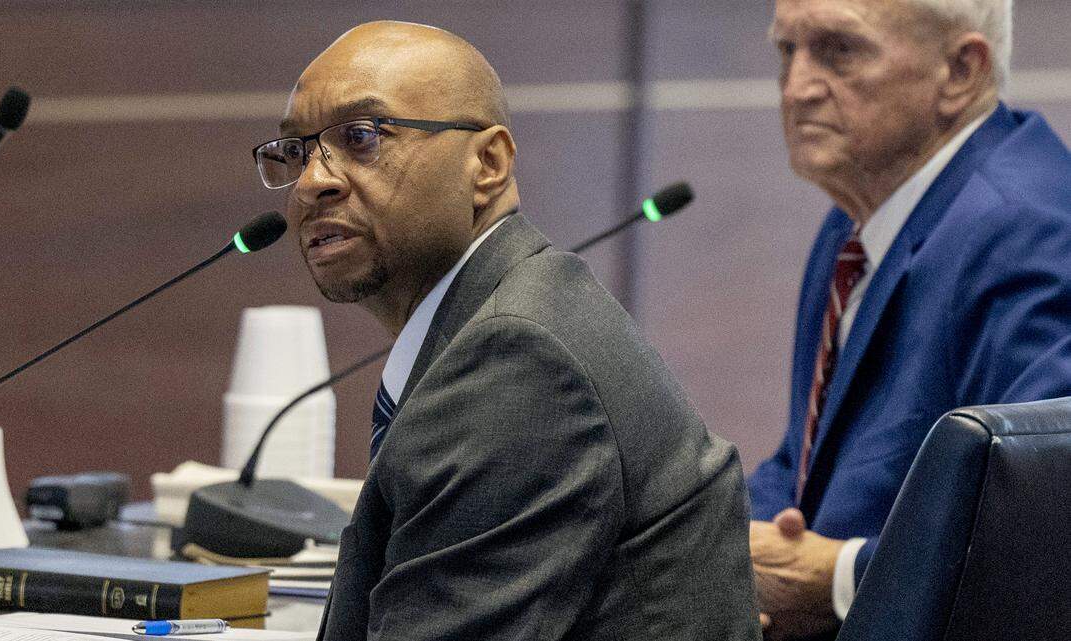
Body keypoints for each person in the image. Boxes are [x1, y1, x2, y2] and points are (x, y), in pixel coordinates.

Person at [253, 21, 761, 640]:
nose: (312, 183)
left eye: (362, 137)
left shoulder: (519, 356)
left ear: (488, 165)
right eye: (296, 152)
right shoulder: (497, 318)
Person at [748, 0, 1071, 638]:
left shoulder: (1031, 232)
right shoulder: (855, 219)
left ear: (960, 70)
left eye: (839, 50)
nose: (797, 87)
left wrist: (834, 575)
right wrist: (726, 552)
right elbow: (806, 461)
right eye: (788, 50)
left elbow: (1042, 531)